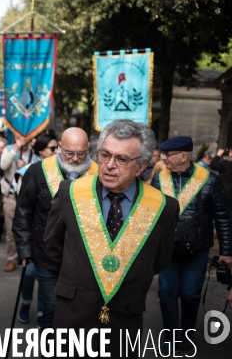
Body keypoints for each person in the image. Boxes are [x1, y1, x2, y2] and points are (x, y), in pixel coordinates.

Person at [45, 119, 179, 357]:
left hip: (124, 318)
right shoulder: (71, 193)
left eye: (122, 159)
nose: (109, 165)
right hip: (73, 313)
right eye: (105, 155)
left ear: (141, 166)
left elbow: (159, 260)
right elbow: (54, 248)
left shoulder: (163, 208)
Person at [152, 136, 232, 353]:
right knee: (167, 292)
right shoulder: (160, 179)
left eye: (168, 155)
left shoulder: (209, 180)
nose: (164, 158)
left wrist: (226, 251)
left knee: (189, 293)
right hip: (168, 248)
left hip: (197, 249)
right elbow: (149, 213)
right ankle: (171, 336)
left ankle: (186, 334)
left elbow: (223, 217)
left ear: (184, 156)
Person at [13, 128, 97, 327]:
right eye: (69, 153)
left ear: (88, 149)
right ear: (59, 147)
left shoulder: (99, 174)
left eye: (81, 153)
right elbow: (23, 211)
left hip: (84, 260)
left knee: (79, 311)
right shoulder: (37, 171)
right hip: (46, 257)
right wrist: (25, 249)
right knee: (51, 308)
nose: (75, 158)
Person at [0, 136, 36, 272]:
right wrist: (15, 149)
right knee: (10, 230)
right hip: (10, 195)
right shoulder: (8, 149)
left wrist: (24, 168)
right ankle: (11, 259)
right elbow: (3, 165)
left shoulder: (32, 153)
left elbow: (34, 171)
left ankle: (27, 257)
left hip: (25, 196)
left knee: (27, 227)